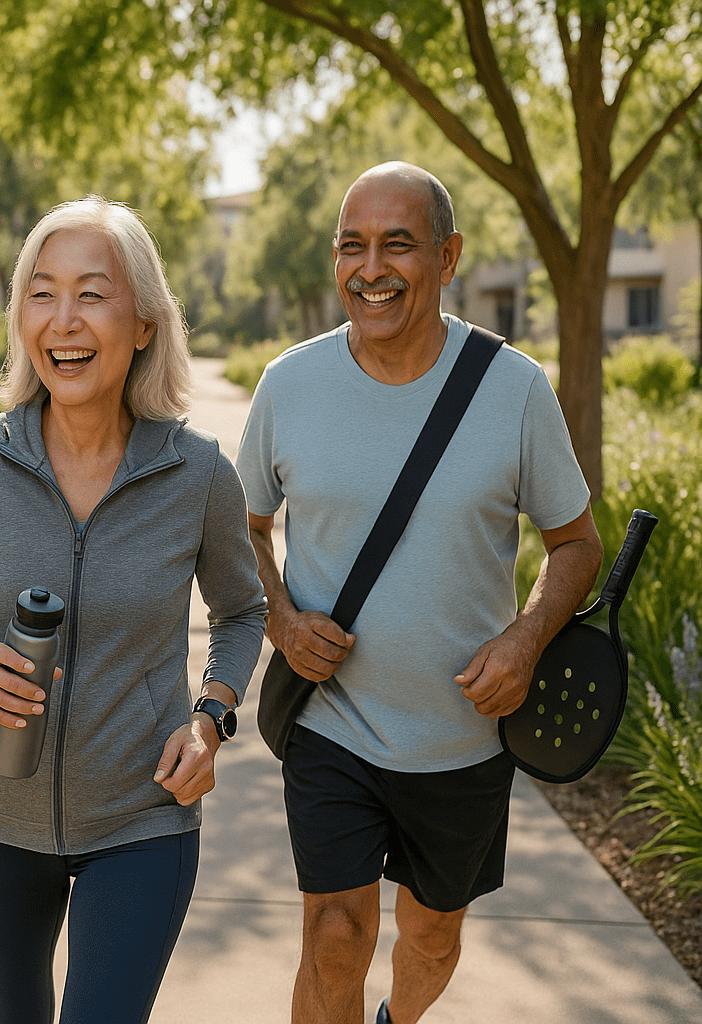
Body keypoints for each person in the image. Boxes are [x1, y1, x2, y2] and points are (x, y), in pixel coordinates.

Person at [235, 162, 603, 1024]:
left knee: (432, 937)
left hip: (463, 738)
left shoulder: (514, 389)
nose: (372, 269)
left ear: (448, 256)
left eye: (397, 245)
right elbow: (239, 530)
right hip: (334, 722)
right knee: (334, 935)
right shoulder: (290, 385)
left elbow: (576, 544)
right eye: (352, 247)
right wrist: (283, 621)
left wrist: (526, 638)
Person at [0, 196, 268, 1023]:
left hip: (144, 816)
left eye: (92, 294)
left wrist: (211, 718)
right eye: (42, 291)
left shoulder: (197, 473)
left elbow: (243, 612)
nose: (64, 320)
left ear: (143, 322)